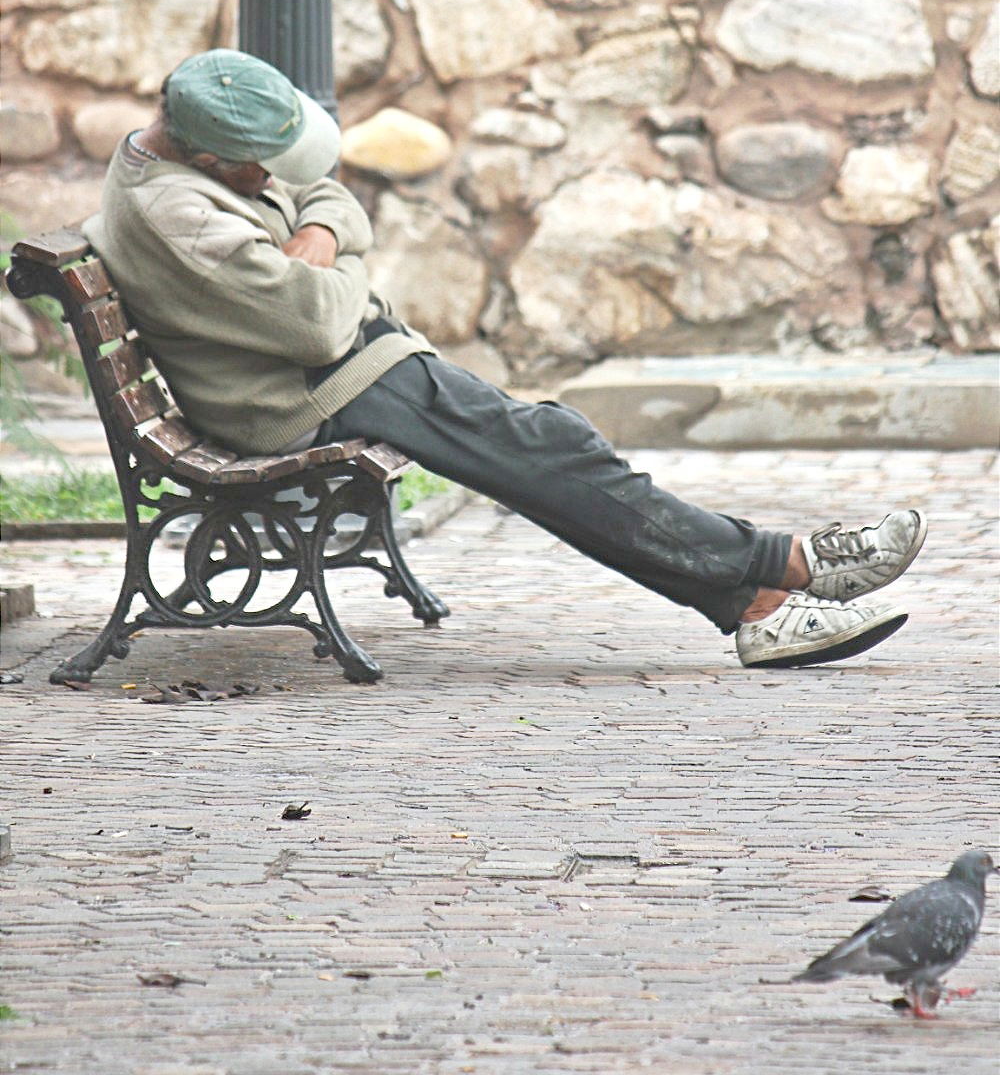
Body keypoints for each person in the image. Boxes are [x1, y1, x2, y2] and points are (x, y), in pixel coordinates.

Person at [82, 49, 927, 669]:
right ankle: (774, 578)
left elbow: (329, 197)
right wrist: (335, 264)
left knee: (551, 444)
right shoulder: (182, 214)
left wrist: (322, 234)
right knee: (554, 447)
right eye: (263, 167)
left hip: (347, 367)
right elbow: (316, 325)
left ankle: (765, 582)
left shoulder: (195, 151)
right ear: (211, 157)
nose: (277, 176)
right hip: (306, 391)